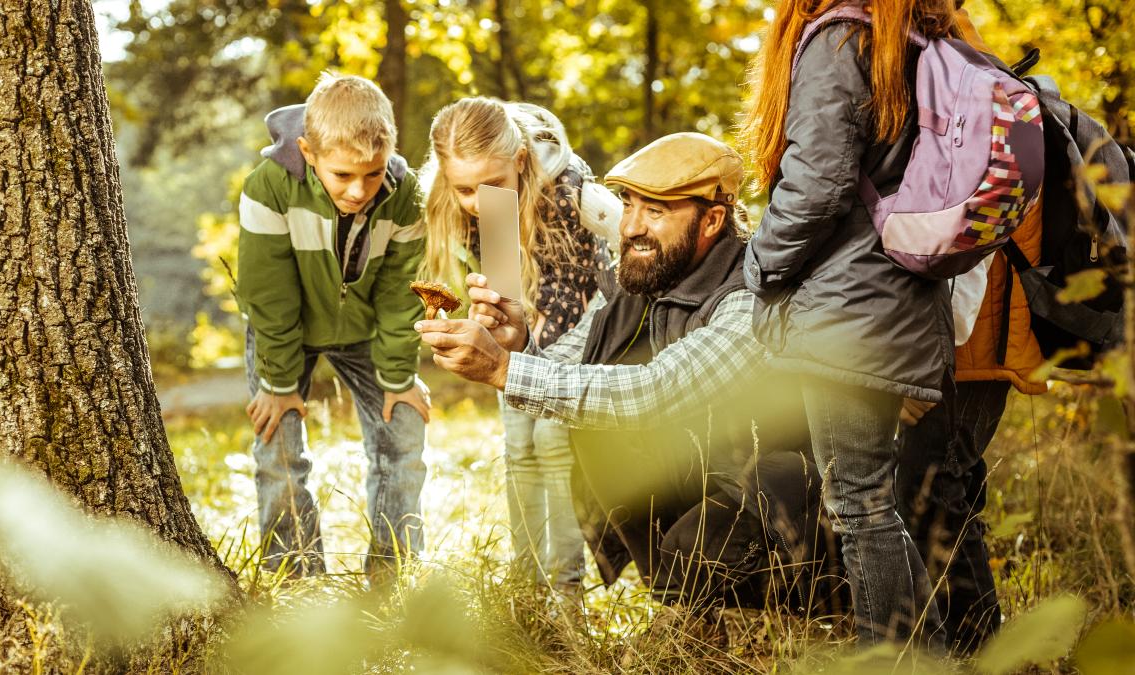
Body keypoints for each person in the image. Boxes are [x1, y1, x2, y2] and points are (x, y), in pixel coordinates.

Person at [417, 133, 836, 612]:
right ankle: (693, 603)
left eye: (654, 211)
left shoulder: (749, 296)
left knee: (693, 549)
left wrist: (502, 368)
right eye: (628, 204)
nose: (631, 226)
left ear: (712, 220)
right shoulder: (643, 275)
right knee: (597, 432)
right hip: (703, 471)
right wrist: (519, 344)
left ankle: (782, 611)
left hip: (786, 493)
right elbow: (572, 369)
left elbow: (657, 390)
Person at [740, 0, 962, 646]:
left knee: (860, 506)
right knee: (870, 501)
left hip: (851, 310)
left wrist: (757, 265)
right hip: (896, 298)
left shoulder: (841, 41)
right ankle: (928, 656)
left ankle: (896, 660)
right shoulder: (909, 39)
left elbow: (816, 184)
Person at [895, 3, 1048, 654]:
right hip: (971, 339)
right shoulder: (954, 65)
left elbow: (966, 242)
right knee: (942, 490)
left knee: (934, 492)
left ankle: (985, 654)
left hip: (966, 343)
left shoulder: (948, 79)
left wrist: (920, 367)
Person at [420, 97, 620, 590]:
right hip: (523, 335)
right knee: (518, 446)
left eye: (490, 185)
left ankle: (567, 589)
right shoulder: (483, 201)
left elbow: (612, 284)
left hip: (586, 330)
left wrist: (543, 359)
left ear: (521, 160)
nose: (476, 200)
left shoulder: (572, 191)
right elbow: (509, 288)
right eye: (464, 188)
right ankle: (527, 587)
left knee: (552, 442)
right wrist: (492, 316)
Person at [236, 72, 428, 583]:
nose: (359, 190)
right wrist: (278, 383)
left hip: (367, 329)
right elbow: (269, 294)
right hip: (285, 332)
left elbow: (400, 292)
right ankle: (296, 576)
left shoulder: (406, 194)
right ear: (308, 152)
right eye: (342, 175)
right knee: (278, 450)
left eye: (373, 173)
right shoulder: (268, 187)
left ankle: (393, 574)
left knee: (404, 430)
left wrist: (398, 376)